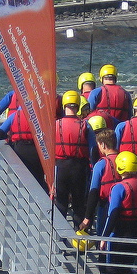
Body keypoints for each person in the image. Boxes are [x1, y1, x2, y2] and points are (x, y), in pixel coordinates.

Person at [52, 91, 93, 221]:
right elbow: (92, 149)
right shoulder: (85, 125)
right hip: (79, 168)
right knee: (79, 204)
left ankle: (58, 236)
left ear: (64, 105)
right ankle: (79, 237)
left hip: (60, 167)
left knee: (61, 203)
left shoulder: (55, 125)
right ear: (77, 105)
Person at [0, 99, 47, 190]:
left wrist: (8, 136)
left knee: (20, 181)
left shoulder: (15, 115)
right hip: (38, 152)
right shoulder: (41, 116)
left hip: (19, 150)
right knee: (38, 181)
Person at [81, 130, 120, 232]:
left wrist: (87, 217)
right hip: (125, 209)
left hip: (106, 206)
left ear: (103, 144)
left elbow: (94, 191)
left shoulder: (101, 164)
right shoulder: (126, 160)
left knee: (102, 235)